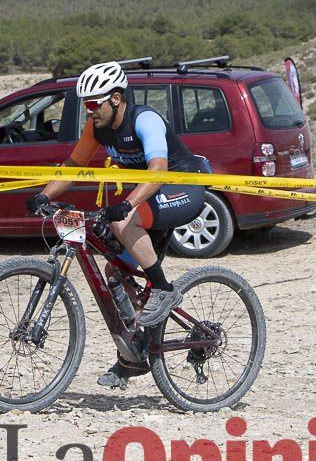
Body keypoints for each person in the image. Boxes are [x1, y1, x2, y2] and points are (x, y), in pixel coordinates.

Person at [25, 61, 207, 389]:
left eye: (94, 104)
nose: (88, 111)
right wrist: (43, 195)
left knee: (123, 222)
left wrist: (128, 205)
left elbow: (158, 171)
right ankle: (135, 353)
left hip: (183, 187)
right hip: (150, 197)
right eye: (85, 104)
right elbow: (73, 165)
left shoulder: (145, 120)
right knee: (116, 275)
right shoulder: (96, 128)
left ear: (116, 98)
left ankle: (164, 291)